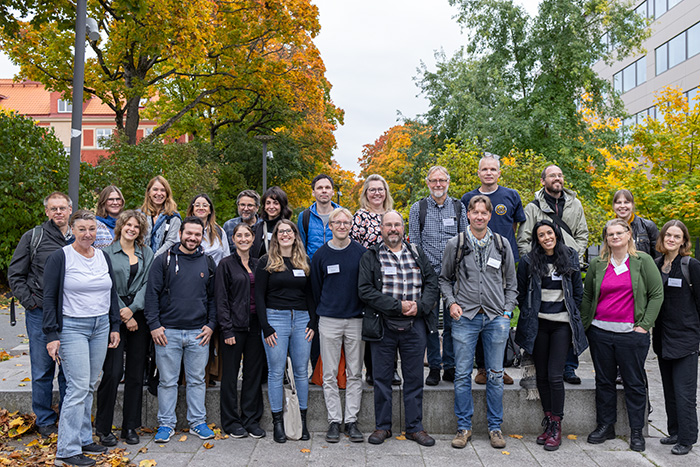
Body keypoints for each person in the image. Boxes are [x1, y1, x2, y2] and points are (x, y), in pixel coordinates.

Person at [43, 210, 121, 467]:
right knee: (76, 388)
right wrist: (52, 335)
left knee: (89, 384)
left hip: (100, 326)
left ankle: (84, 438)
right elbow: (49, 297)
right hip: (72, 327)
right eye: (82, 229)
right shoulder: (61, 257)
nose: (88, 234)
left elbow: (112, 294)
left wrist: (114, 325)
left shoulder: (102, 256)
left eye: (92, 229)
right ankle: (66, 450)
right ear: (72, 231)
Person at [438, 195, 517, 450]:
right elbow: (443, 279)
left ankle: (495, 428)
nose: (480, 217)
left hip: (496, 318)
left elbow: (512, 284)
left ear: (489, 216)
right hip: (466, 318)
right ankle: (463, 427)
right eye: (475, 212)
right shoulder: (456, 243)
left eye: (484, 213)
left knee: (494, 375)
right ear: (468, 215)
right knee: (462, 375)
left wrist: (507, 312)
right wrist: (451, 302)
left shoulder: (502, 244)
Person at [581, 218, 663, 452]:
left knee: (634, 383)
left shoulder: (642, 261)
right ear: (606, 238)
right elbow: (588, 296)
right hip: (601, 333)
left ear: (629, 235)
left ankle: (637, 431)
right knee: (604, 381)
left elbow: (657, 294)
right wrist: (587, 326)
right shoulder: (598, 264)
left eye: (619, 233)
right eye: (610, 234)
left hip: (631, 334)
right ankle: (606, 426)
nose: (615, 237)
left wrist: (644, 326)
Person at [359, 211, 439, 447]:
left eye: (397, 225)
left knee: (414, 379)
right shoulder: (371, 256)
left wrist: (421, 307)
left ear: (403, 228)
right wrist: (397, 306)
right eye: (388, 225)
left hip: (415, 326)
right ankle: (382, 427)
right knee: (382, 379)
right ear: (381, 229)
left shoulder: (416, 252)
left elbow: (432, 283)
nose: (393, 229)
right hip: (383, 325)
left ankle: (415, 428)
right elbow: (365, 290)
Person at [514, 220, 587, 451]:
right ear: (536, 239)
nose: (546, 237)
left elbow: (577, 292)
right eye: (541, 235)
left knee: (555, 375)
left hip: (561, 325)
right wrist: (528, 313)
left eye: (549, 233)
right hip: (539, 325)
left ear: (556, 234)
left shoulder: (570, 256)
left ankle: (557, 424)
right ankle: (548, 422)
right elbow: (521, 292)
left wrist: (570, 314)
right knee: (543, 376)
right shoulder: (528, 261)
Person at [144, 217, 217, 443]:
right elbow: (151, 296)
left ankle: (197, 422)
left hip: (198, 333)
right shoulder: (163, 260)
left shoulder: (208, 262)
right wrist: (155, 326)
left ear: (201, 236)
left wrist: (211, 325)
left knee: (196, 380)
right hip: (168, 333)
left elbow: (214, 298)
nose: (193, 238)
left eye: (197, 234)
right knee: (167, 381)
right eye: (189, 233)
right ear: (180, 234)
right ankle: (166, 424)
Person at [8, 191, 73, 437]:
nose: (58, 212)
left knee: (69, 370)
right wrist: (31, 302)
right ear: (47, 211)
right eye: (53, 208)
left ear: (70, 209)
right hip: (40, 313)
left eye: (62, 208)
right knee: (42, 369)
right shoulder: (33, 237)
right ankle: (45, 420)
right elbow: (16, 274)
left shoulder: (77, 236)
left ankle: (68, 417)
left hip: (72, 314)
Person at [518, 165, 589, 385]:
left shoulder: (575, 205)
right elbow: (524, 239)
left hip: (567, 268)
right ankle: (546, 366)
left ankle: (569, 366)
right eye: (552, 175)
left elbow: (582, 234)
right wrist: (532, 263)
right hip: (540, 268)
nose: (557, 178)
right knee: (545, 317)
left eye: (560, 175)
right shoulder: (533, 207)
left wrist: (571, 258)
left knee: (568, 313)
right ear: (543, 181)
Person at [461, 153, 525, 386]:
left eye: (493, 169)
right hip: (474, 264)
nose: (488, 173)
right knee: (478, 312)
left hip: (502, 262)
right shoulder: (468, 197)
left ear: (499, 172)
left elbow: (516, 225)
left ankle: (499, 366)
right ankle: (481, 367)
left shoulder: (511, 195)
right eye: (484, 169)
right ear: (478, 173)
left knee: (501, 313)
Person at [94, 210, 154, 446]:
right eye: (128, 224)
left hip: (139, 318)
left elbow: (149, 283)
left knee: (136, 374)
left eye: (136, 226)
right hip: (114, 317)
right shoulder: (106, 253)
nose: (132, 229)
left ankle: (130, 426)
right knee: (113, 372)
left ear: (141, 231)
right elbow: (106, 285)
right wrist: (123, 313)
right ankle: (103, 427)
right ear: (120, 226)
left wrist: (134, 309)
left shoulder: (146, 253)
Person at [255, 220, 315, 443]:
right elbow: (259, 297)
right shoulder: (266, 261)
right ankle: (278, 422)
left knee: (300, 371)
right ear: (275, 236)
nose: (285, 234)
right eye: (281, 232)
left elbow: (310, 295)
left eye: (289, 231)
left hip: (301, 320)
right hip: (275, 319)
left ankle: (301, 420)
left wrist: (313, 323)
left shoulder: (304, 261)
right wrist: (266, 326)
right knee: (276, 371)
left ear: (295, 235)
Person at [311, 208, 367, 443]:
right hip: (329, 320)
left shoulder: (362, 253)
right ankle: (334, 420)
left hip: (356, 319)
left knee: (355, 373)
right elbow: (315, 289)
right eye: (337, 222)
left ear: (351, 225)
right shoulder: (321, 255)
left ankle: (351, 421)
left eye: (346, 222)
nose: (342, 226)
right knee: (330, 374)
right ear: (330, 226)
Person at [408, 165, 467, 386]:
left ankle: (450, 366)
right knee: (431, 323)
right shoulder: (418, 208)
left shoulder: (459, 207)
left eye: (442, 180)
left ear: (448, 182)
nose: (438, 184)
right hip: (429, 274)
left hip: (454, 275)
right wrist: (422, 273)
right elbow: (414, 243)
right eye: (433, 181)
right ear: (428, 183)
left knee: (453, 322)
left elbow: (464, 241)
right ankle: (434, 366)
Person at [215, 223, 266, 439]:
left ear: (253, 239)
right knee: (230, 376)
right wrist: (226, 330)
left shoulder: (259, 264)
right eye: (239, 235)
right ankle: (231, 421)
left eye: (247, 235)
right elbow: (221, 300)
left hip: (255, 326)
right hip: (233, 327)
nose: (243, 239)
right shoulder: (225, 265)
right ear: (233, 239)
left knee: (253, 375)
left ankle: (250, 419)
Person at [653, 220, 700, 455]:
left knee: (684, 392)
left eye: (677, 236)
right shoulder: (656, 264)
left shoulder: (690, 265)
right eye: (668, 235)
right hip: (662, 337)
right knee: (669, 390)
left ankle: (687, 437)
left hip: (686, 338)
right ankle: (674, 431)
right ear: (662, 238)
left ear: (683, 241)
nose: (671, 239)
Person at [350, 174, 400, 386]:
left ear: (386, 192)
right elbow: (353, 246)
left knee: (393, 322)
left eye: (380, 189)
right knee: (372, 320)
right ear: (366, 193)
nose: (377, 193)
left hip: (392, 275)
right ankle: (372, 369)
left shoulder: (392, 215)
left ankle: (393, 369)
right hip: (369, 274)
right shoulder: (360, 216)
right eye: (372, 189)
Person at [298, 174, 340, 259]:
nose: (324, 191)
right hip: (312, 268)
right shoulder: (304, 217)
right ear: (313, 192)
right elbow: (300, 247)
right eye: (319, 188)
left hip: (338, 266)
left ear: (333, 192)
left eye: (327, 187)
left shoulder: (343, 215)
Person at [140, 175, 182, 257]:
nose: (159, 193)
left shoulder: (174, 217)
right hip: (140, 260)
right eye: (155, 189)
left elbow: (171, 242)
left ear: (167, 194)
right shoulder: (140, 215)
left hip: (163, 262)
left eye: (163, 190)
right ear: (149, 192)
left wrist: (153, 259)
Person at [612, 189, 659, 258]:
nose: (622, 206)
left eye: (626, 202)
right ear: (613, 205)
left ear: (632, 205)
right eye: (618, 202)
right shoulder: (608, 228)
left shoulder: (648, 226)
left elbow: (657, 257)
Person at [186, 193, 230, 265]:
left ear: (210, 210)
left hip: (216, 274)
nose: (201, 208)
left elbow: (226, 257)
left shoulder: (219, 232)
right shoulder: (184, 231)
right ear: (192, 210)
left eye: (205, 205)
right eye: (197, 205)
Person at [252, 186, 292, 259]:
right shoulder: (257, 228)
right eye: (268, 203)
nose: (271, 206)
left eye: (275, 203)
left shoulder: (290, 228)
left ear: (282, 205)